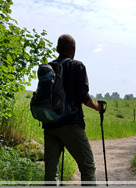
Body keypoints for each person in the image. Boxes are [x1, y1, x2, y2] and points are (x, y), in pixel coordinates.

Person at [43, 34, 102, 186]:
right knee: (87, 166)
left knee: (50, 171)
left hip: (49, 124)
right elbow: (83, 95)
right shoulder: (77, 66)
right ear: (74, 50)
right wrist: (97, 107)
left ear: (57, 49)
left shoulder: (48, 67)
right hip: (71, 124)